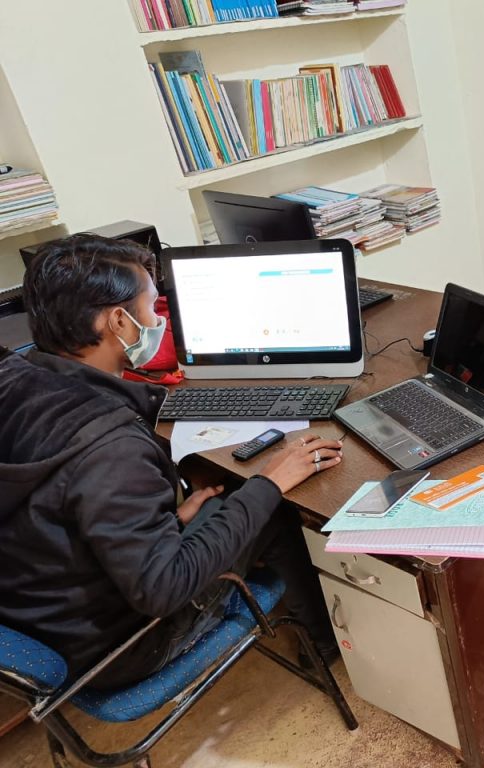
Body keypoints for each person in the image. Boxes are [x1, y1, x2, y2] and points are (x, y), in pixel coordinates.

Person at [0, 234, 344, 688]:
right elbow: (164, 588)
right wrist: (269, 483)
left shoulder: (13, 378)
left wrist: (156, 519)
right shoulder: (109, 446)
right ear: (118, 322)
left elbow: (55, 506)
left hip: (36, 619)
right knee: (268, 508)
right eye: (150, 308)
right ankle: (327, 647)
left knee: (228, 498)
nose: (158, 320)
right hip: (119, 648)